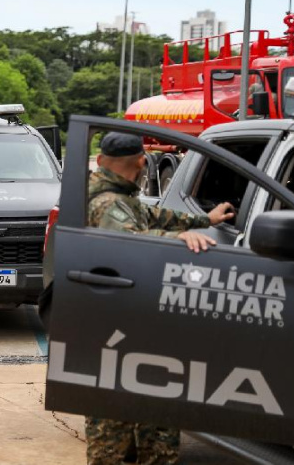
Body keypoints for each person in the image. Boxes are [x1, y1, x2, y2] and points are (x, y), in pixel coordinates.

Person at [84, 132, 234, 465]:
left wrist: (203, 221)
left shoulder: (115, 196)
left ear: (100, 161)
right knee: (113, 431)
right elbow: (128, 239)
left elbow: (152, 217)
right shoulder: (110, 204)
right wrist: (178, 239)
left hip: (121, 321)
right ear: (141, 162)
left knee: (138, 419)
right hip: (120, 326)